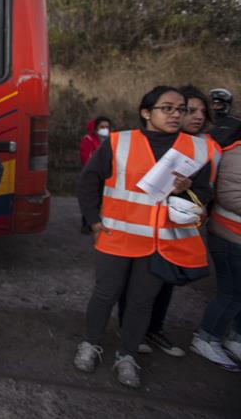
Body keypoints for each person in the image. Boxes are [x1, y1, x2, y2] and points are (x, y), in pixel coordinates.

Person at [74, 85, 212, 388]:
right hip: (116, 237)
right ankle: (90, 344)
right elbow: (88, 182)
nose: (177, 114)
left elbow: (204, 195)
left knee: (140, 303)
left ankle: (127, 355)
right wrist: (94, 222)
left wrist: (186, 189)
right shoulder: (118, 142)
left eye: (181, 109)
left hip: (160, 242)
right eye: (167, 108)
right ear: (146, 113)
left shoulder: (197, 149)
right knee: (105, 295)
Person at [117, 85, 221, 357]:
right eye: (189, 110)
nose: (195, 116)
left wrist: (188, 193)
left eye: (200, 111)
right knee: (137, 287)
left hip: (179, 228)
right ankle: (131, 332)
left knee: (165, 283)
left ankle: (152, 329)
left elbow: (208, 190)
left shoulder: (203, 149)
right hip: (142, 230)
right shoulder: (149, 143)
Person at [191, 126, 241, 372]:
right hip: (231, 236)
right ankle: (206, 338)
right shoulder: (236, 155)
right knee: (231, 293)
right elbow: (230, 196)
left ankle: (234, 338)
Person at [79, 116, 112, 233]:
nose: (105, 129)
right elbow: (85, 157)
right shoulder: (88, 139)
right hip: (93, 174)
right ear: (96, 128)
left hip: (106, 175)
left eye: (107, 127)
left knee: (101, 200)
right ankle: (87, 224)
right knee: (90, 199)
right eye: (102, 127)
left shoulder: (111, 140)